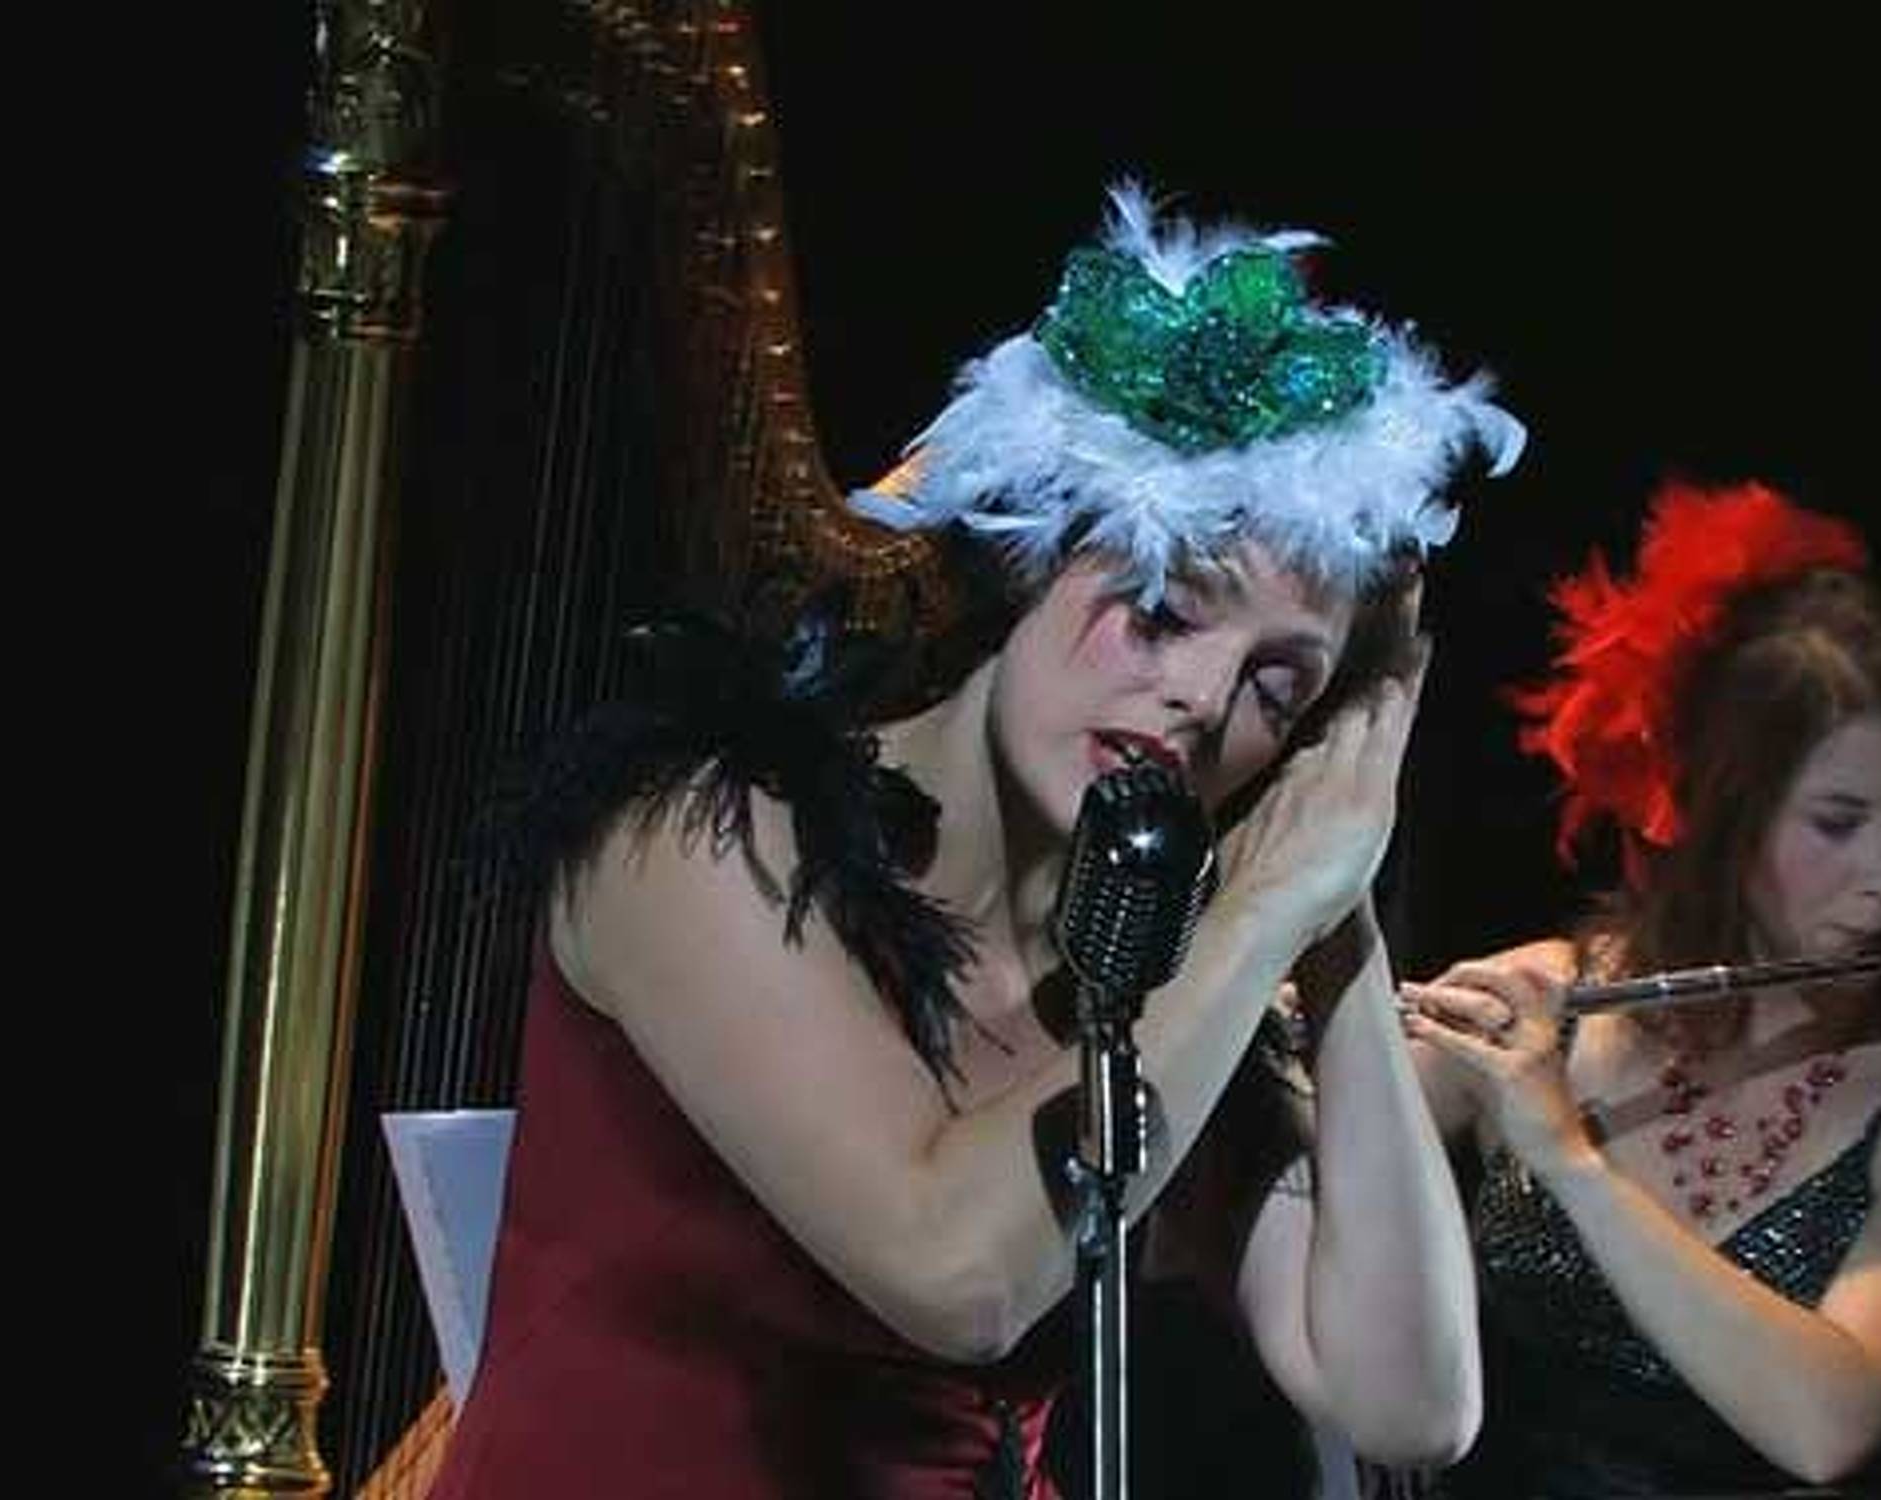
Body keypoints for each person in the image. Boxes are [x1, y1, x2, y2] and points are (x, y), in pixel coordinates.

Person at [427, 182, 1525, 1498]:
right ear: (1034, 557)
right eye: (1163, 609)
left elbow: (1407, 1402)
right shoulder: (697, 832)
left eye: (1274, 687)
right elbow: (957, 1276)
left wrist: (1332, 919)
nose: (1199, 697)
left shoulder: (1166, 986)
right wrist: (1258, 916)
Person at [1400, 481, 1881, 1496]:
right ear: (1723, 815)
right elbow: (1290, 1171)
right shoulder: (1552, 1000)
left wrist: (1567, 1158)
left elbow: (1824, 1426)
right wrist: (1312, 1024)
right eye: (1837, 823)